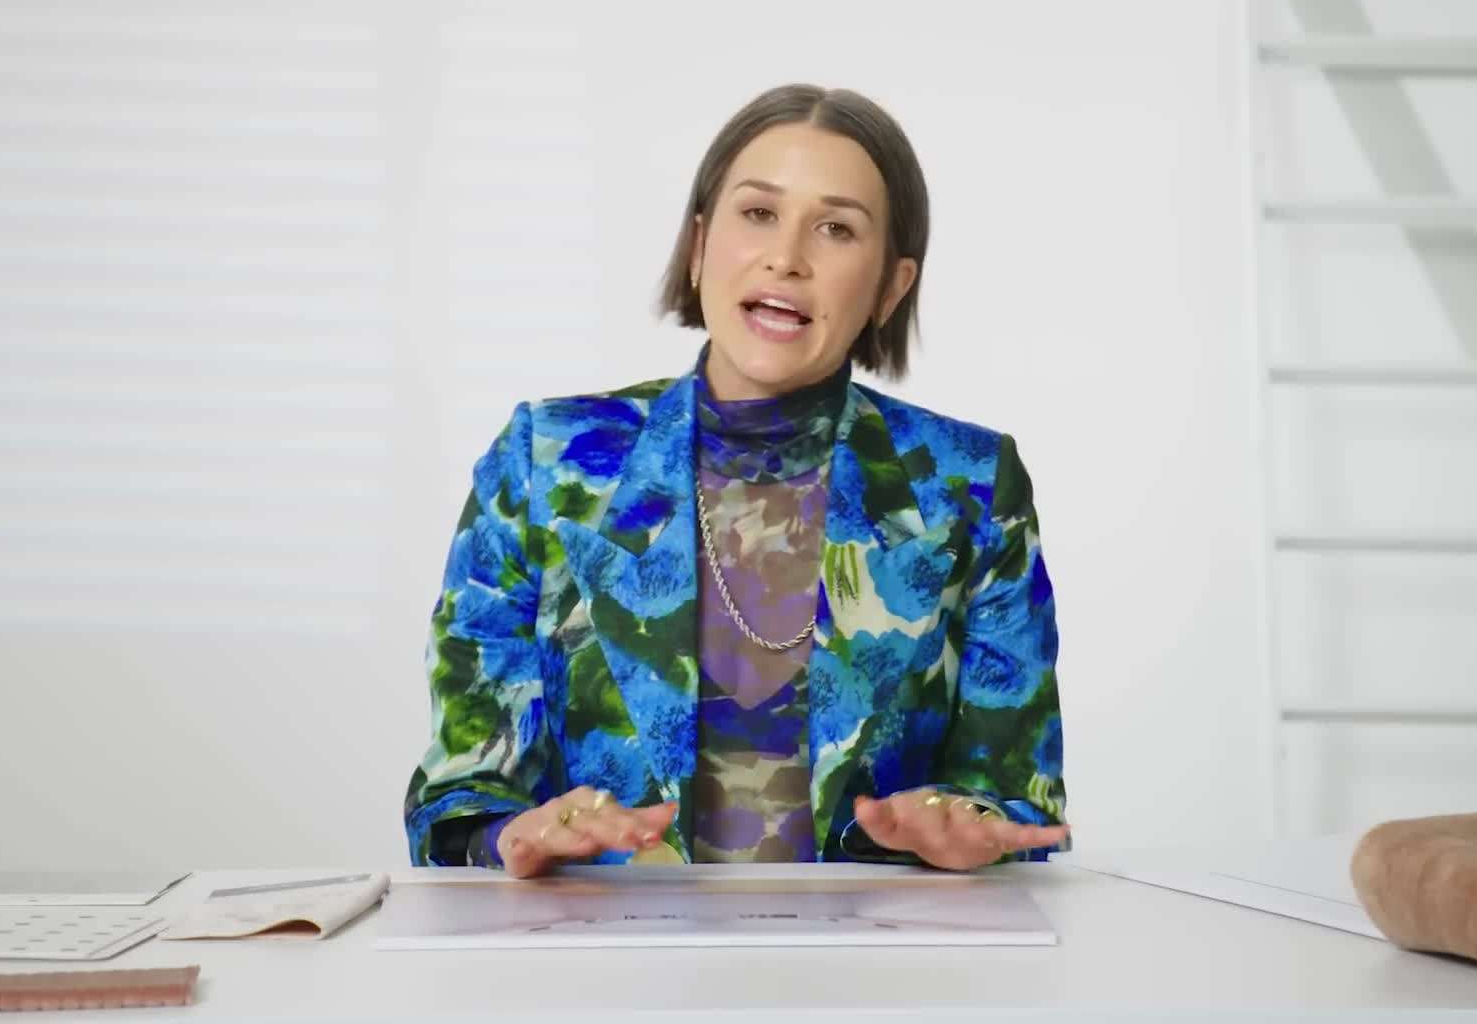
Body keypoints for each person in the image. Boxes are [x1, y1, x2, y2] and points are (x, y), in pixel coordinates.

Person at [404, 83, 1069, 878]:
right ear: (698, 246)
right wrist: (508, 838)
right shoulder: (545, 462)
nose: (787, 257)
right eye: (758, 213)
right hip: (603, 949)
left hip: (874, 950)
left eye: (836, 228)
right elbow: (458, 799)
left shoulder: (972, 486)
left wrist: (964, 829)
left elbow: (1020, 807)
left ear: (890, 288)